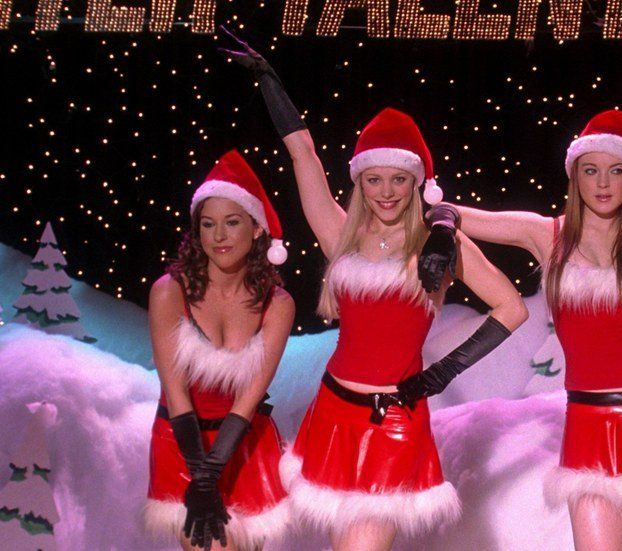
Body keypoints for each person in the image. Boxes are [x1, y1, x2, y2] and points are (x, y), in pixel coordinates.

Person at [220, 30, 528, 551]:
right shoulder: (341, 235)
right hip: (332, 412)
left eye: (398, 179)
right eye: (374, 179)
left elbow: (512, 307)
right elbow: (303, 155)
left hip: (393, 423)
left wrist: (442, 373)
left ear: (417, 182)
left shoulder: (440, 244)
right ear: (359, 182)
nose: (386, 192)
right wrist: (269, 80)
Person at [419, 110, 622, 550]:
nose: (602, 182)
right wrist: (443, 229)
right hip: (589, 424)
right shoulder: (547, 234)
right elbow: (447, 212)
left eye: (615, 171)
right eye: (591, 170)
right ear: (575, 176)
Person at [145, 150, 294, 550]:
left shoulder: (277, 303)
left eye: (232, 222)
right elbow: (176, 392)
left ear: (257, 228)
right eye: (208, 225)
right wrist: (201, 475)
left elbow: (249, 398)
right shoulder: (168, 292)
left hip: (243, 442)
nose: (219, 236)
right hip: (183, 443)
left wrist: (213, 472)